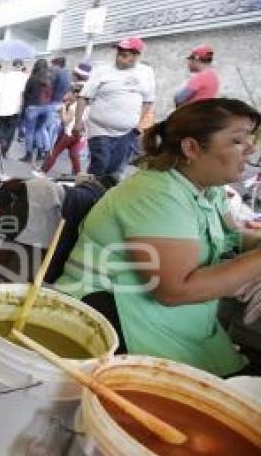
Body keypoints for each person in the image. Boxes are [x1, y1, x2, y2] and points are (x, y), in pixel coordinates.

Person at [55, 98, 261, 377]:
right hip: (114, 315)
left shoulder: (208, 190)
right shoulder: (157, 194)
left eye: (251, 138)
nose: (251, 148)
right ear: (191, 148)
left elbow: (230, 236)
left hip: (171, 319)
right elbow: (175, 290)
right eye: (237, 141)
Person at [72, 37, 155, 176]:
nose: (119, 59)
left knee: (113, 171)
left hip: (127, 132)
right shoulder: (102, 70)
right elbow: (83, 96)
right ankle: (88, 193)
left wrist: (137, 125)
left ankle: (104, 194)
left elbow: (148, 100)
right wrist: (78, 122)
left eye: (124, 56)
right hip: (100, 129)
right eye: (118, 54)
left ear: (136, 56)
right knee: (100, 164)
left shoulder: (146, 73)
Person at [42, 62, 92, 175]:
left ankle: (43, 171)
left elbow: (65, 120)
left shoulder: (77, 89)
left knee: (55, 151)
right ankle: (78, 175)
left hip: (71, 129)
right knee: (74, 153)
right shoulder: (88, 89)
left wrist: (63, 108)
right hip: (81, 129)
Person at [20, 59, 55, 163]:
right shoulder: (50, 79)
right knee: (39, 130)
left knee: (30, 132)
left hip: (33, 106)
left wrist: (24, 108)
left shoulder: (33, 78)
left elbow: (26, 93)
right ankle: (40, 153)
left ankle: (29, 155)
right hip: (46, 107)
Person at [0, 60, 29, 158]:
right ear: (21, 66)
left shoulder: (5, 76)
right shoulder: (25, 77)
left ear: (13, 66)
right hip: (15, 107)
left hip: (2, 106)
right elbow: (24, 93)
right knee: (11, 130)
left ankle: (1, 141)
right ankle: (4, 150)